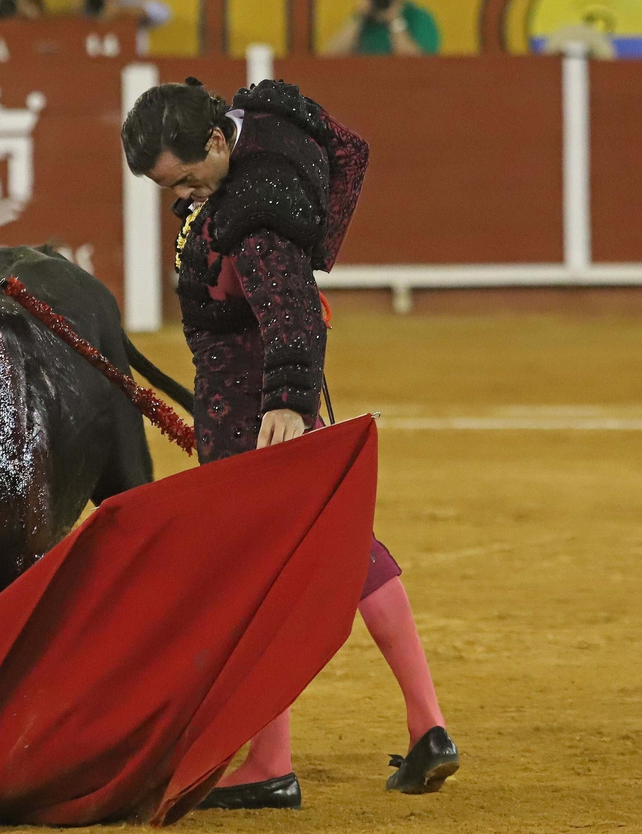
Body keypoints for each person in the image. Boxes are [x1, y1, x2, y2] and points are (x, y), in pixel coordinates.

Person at [121, 78, 459, 808]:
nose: (179, 195)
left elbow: (293, 311)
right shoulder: (264, 134)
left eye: (184, 179)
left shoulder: (254, 218)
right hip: (272, 398)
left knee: (250, 576)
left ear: (217, 143)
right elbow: (351, 151)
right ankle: (428, 723)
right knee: (350, 545)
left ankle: (269, 762)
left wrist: (285, 401)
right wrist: (315, 241)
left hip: (253, 408)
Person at [323, 0, 439, 56]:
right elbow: (330, 58)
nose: (379, 0)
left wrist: (395, 22)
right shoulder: (360, 20)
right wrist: (358, 17)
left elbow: (418, 67)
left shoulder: (418, 17)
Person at [79, 0, 171, 55]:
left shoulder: (128, 3)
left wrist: (121, 11)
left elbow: (163, 13)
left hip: (131, 66)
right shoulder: (82, 9)